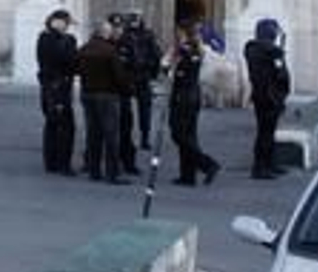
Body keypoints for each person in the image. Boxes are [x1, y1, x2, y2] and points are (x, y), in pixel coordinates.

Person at [168, 23, 221, 187]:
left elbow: (175, 74)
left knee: (179, 135)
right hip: (191, 98)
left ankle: (207, 164)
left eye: (179, 34)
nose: (176, 37)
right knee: (189, 136)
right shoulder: (193, 52)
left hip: (184, 99)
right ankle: (187, 175)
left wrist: (171, 61)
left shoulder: (187, 53)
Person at [77, 20, 128, 184]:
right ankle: (111, 173)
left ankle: (94, 170)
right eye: (108, 30)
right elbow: (119, 76)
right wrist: (126, 90)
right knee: (111, 135)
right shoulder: (110, 51)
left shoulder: (83, 49)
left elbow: (76, 69)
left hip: (87, 94)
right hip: (107, 95)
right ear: (103, 33)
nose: (111, 33)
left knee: (93, 134)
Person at [116, 13, 163, 175]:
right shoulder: (124, 36)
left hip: (142, 76)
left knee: (145, 109)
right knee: (126, 110)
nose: (135, 23)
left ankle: (144, 137)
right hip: (130, 76)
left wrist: (152, 73)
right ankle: (129, 137)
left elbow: (156, 53)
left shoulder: (147, 35)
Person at [245, 19, 291, 180]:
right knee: (265, 134)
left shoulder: (262, 50)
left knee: (269, 133)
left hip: (269, 96)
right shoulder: (266, 51)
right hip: (268, 97)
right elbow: (279, 74)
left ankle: (269, 163)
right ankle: (260, 167)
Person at [36, 9, 78, 176]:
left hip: (55, 86)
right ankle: (62, 164)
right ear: (57, 22)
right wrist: (70, 45)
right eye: (66, 23)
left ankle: (52, 162)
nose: (67, 27)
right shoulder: (49, 39)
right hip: (56, 87)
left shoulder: (51, 38)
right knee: (65, 127)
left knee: (53, 125)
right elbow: (63, 60)